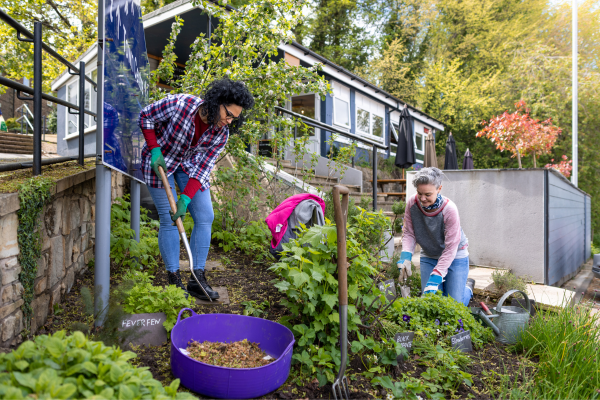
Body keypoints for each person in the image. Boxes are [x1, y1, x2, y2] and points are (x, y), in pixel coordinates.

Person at [138, 78, 254, 300]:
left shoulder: (221, 134)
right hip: (160, 162)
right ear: (216, 102)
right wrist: (154, 149)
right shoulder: (181, 105)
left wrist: (185, 199)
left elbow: (203, 168)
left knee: (205, 216)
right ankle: (174, 280)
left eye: (234, 118)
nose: (229, 121)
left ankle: (196, 278)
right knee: (170, 218)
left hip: (188, 166)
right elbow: (146, 116)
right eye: (228, 114)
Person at [397, 167, 474, 306]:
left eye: (428, 194)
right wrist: (406, 255)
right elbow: (409, 232)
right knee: (430, 301)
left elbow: (451, 247)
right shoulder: (412, 203)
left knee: (454, 304)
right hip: (429, 254)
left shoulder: (449, 209)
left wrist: (437, 274)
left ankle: (467, 289)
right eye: (419, 193)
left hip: (456, 254)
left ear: (439, 189)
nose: (422, 198)